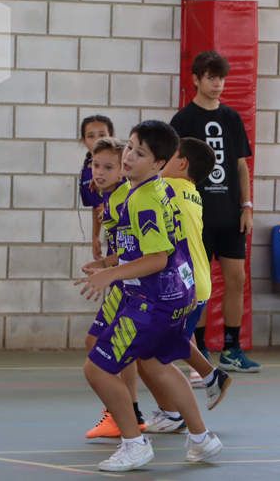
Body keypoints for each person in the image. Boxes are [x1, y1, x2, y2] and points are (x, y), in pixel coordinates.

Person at [76, 121, 222, 471]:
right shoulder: (159, 191)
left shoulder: (143, 200)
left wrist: (110, 274)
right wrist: (109, 260)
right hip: (174, 295)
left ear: (160, 163)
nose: (129, 157)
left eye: (139, 154)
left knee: (96, 368)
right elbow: (160, 247)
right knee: (159, 365)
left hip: (150, 301)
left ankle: (134, 443)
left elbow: (156, 258)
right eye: (130, 147)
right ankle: (202, 439)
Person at [170, 50, 259, 373]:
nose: (217, 84)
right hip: (197, 217)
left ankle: (233, 348)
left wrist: (246, 206)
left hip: (230, 214)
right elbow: (172, 166)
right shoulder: (183, 120)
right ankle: (200, 347)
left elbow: (240, 166)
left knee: (237, 278)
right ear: (196, 79)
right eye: (210, 77)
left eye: (221, 78)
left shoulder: (232, 118)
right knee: (199, 283)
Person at [143, 137, 234, 434]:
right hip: (196, 281)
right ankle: (211, 377)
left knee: (152, 354)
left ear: (181, 163)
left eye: (166, 156)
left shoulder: (167, 189)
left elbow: (140, 184)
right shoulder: (189, 191)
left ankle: (175, 414)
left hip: (184, 286)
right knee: (176, 341)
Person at [77, 137, 145, 438]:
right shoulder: (109, 197)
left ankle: (123, 415)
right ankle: (129, 412)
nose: (99, 172)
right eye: (95, 165)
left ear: (123, 170)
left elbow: (138, 249)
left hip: (131, 284)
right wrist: (106, 263)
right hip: (123, 280)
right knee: (117, 349)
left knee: (101, 347)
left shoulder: (122, 200)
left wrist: (108, 267)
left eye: (108, 167)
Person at [79, 114, 115, 261]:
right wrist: (95, 237)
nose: (97, 141)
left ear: (111, 136)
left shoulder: (120, 162)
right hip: (113, 231)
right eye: (91, 136)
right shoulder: (88, 165)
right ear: (83, 140)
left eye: (102, 135)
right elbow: (97, 205)